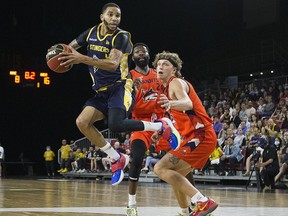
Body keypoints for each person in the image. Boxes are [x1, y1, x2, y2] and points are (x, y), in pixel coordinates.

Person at [57, 2, 180, 185]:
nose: (115, 19)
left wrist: (80, 58)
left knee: (115, 124)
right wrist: (59, 56)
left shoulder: (122, 36)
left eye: (118, 16)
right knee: (82, 122)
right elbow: (69, 48)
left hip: (120, 87)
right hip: (100, 91)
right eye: (111, 15)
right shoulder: (91, 33)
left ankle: (160, 126)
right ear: (102, 17)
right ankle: (116, 158)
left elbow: (113, 64)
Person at [151, 51, 218, 216]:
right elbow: (180, 118)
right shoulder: (166, 89)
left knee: (160, 168)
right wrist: (161, 131)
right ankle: (185, 211)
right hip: (194, 136)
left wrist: (171, 104)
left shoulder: (176, 82)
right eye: (159, 64)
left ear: (173, 70)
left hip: (201, 135)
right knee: (175, 176)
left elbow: (187, 103)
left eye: (165, 64)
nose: (160, 66)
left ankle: (203, 201)